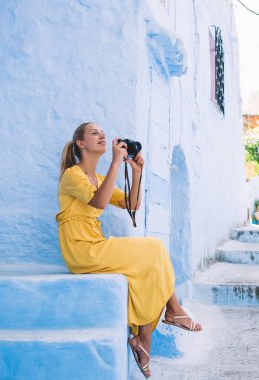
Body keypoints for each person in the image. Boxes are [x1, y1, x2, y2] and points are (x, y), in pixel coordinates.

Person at [56, 122, 202, 378]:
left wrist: (136, 172)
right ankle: (173, 312)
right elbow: (99, 201)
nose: (102, 135)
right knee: (153, 248)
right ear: (80, 144)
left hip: (94, 243)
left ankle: (144, 338)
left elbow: (131, 204)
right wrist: (115, 162)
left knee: (151, 259)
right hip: (81, 250)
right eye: (94, 133)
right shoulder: (73, 175)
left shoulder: (98, 178)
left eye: (103, 132)